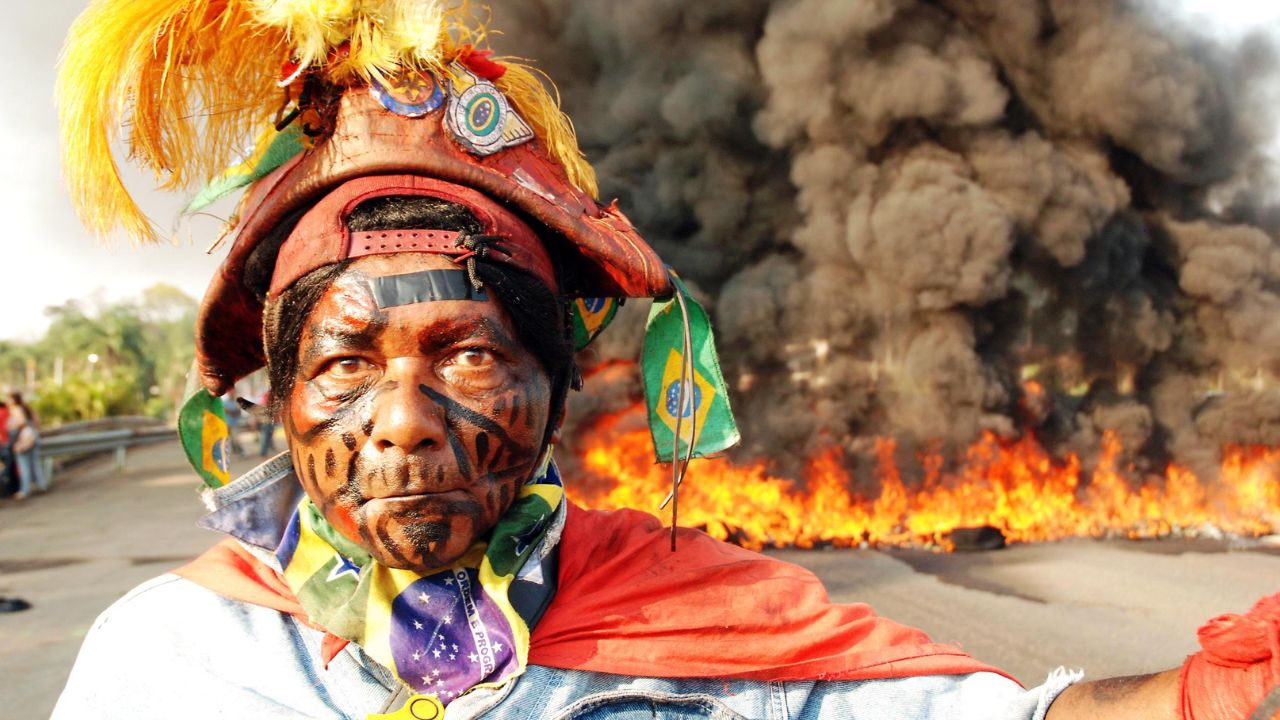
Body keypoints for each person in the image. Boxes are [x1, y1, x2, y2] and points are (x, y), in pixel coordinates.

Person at [51, 2, 1278, 719]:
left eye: (466, 353)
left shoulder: (713, 632)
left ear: (558, 393)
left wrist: (1220, 694)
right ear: (274, 401)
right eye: (346, 363)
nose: (405, 419)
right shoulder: (164, 663)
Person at [7, 391, 45, 499]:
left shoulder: (16, 410)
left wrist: (14, 430)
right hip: (33, 436)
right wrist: (33, 431)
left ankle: (25, 490)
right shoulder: (27, 408)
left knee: (24, 465)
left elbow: (21, 422)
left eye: (9, 399)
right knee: (35, 463)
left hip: (23, 439)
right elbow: (36, 420)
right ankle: (42, 485)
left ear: (14, 400)